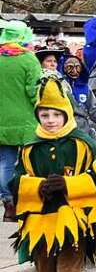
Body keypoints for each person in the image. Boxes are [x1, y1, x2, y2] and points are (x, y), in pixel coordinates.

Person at [11, 73, 96, 272]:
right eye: (44, 114)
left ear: (66, 114)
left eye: (56, 114)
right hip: (40, 224)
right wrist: (36, 187)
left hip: (72, 223)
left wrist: (69, 186)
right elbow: (15, 182)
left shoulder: (82, 144)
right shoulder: (30, 147)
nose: (50, 120)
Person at [0, 20, 43, 222]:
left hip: (2, 121)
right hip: (26, 120)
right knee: (29, 160)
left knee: (5, 162)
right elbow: (33, 91)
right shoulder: (28, 59)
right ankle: (27, 199)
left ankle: (8, 203)